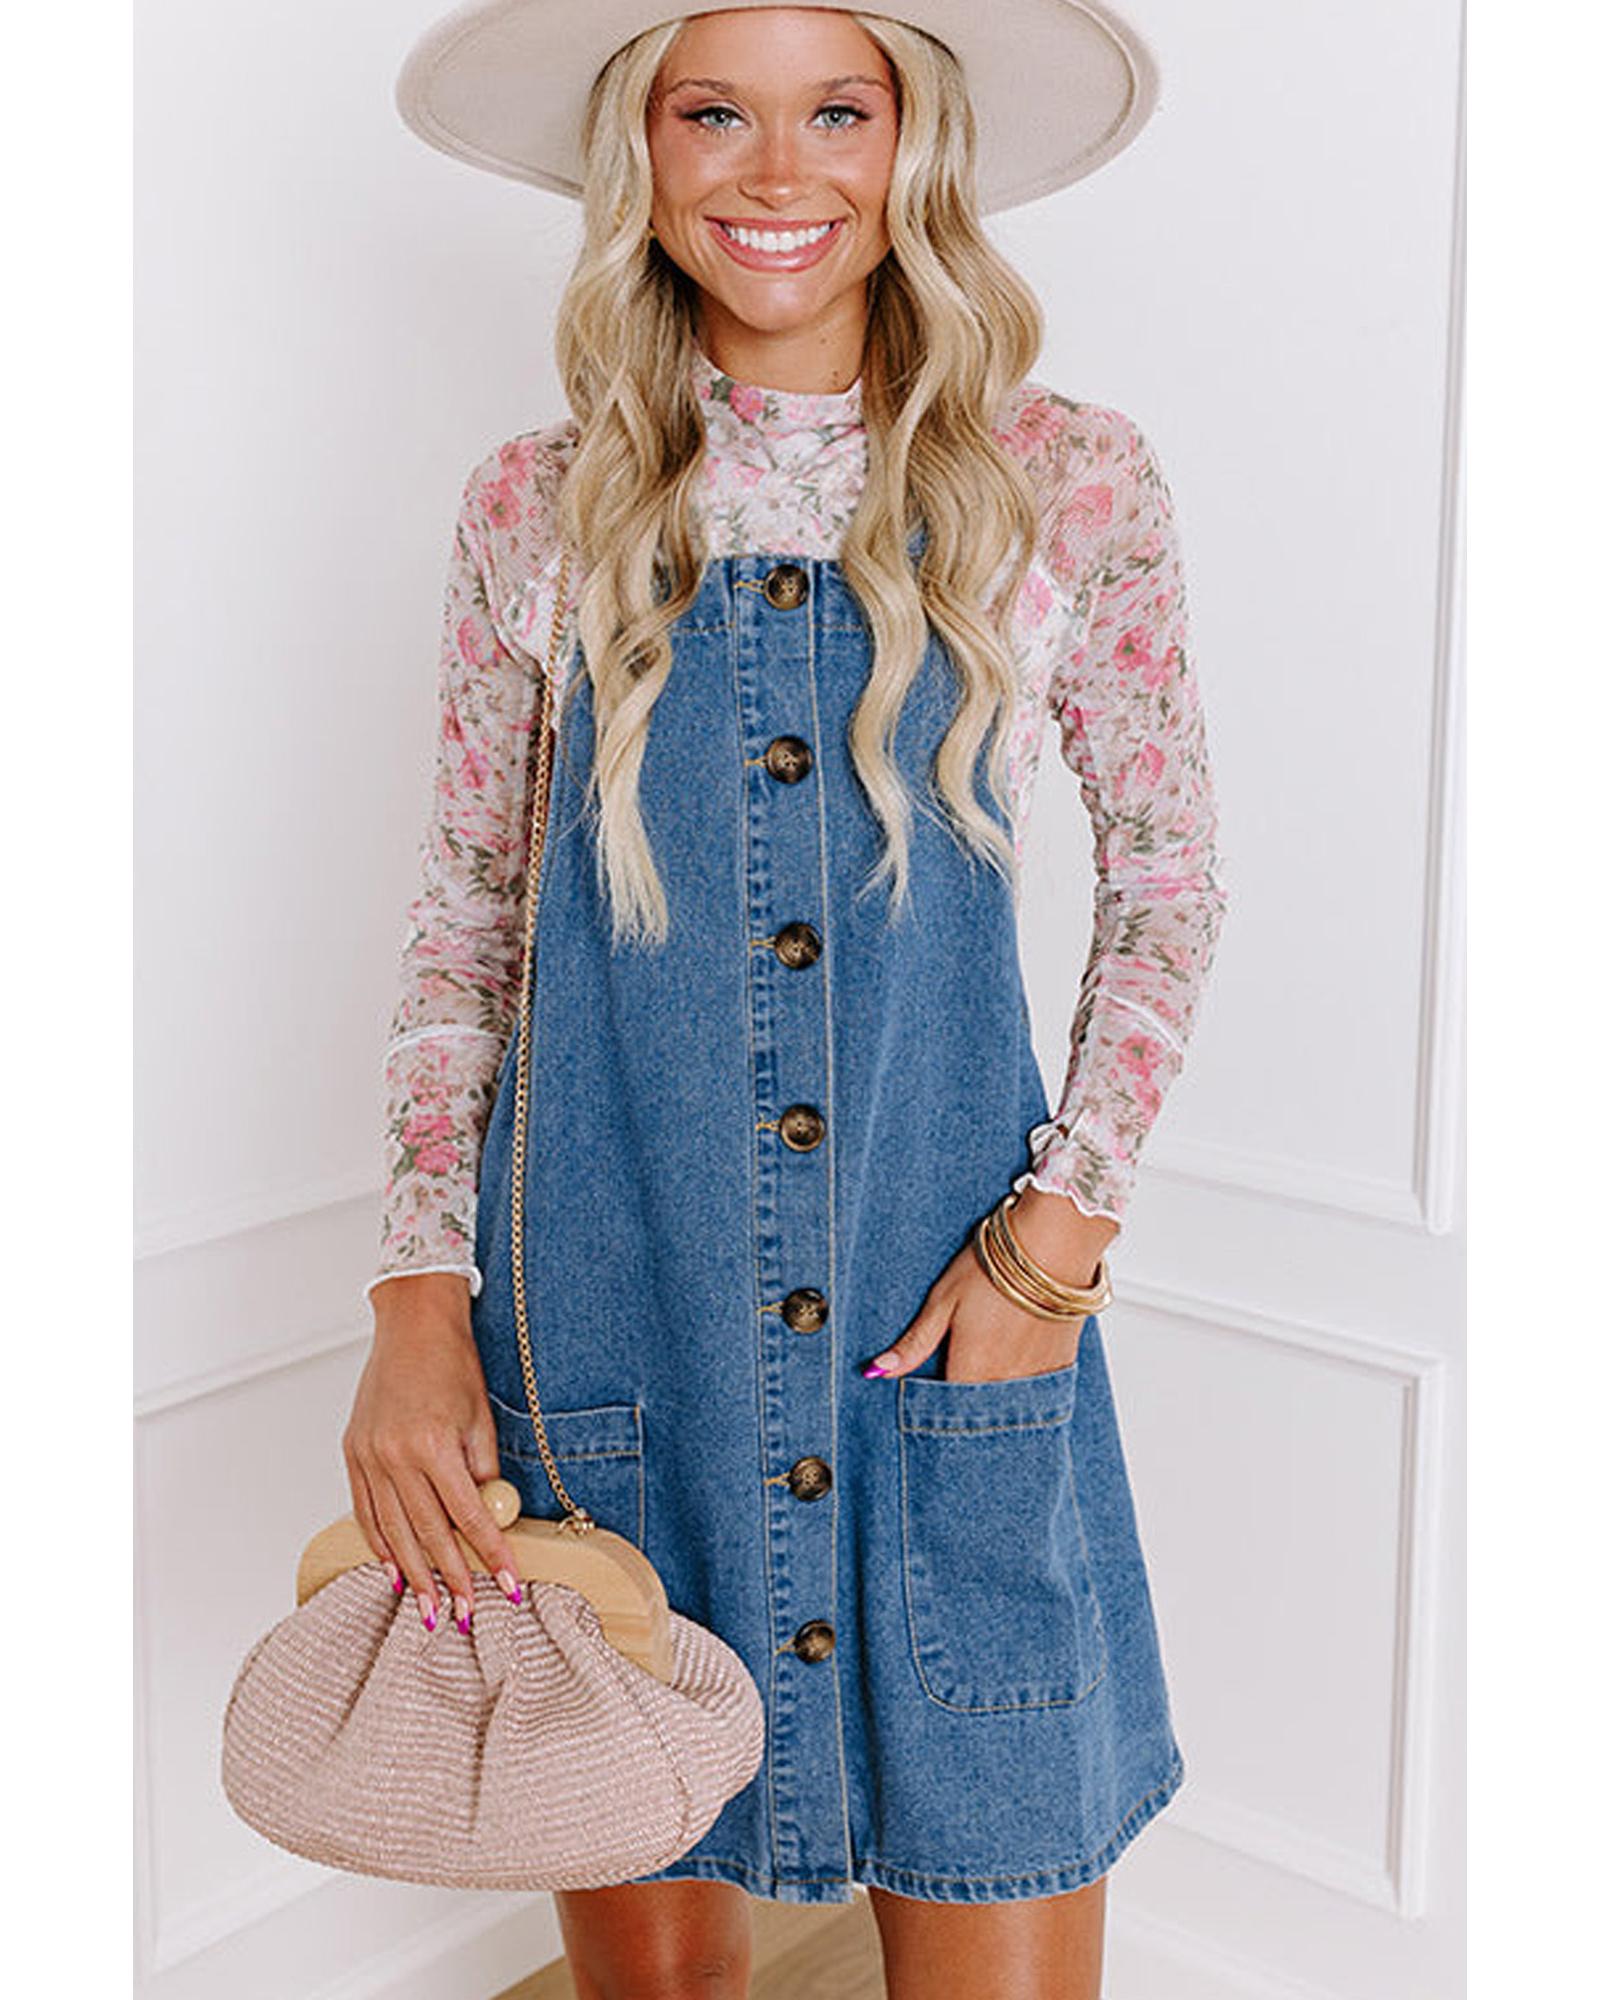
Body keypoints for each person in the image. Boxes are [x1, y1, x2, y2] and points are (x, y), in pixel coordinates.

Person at [345, 5, 1228, 1994]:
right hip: (606, 1344)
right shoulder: (535, 502)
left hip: (942, 1347)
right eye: (711, 111)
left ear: (914, 143)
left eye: (837, 109)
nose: (774, 170)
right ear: (638, 152)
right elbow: (465, 918)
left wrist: (1055, 1246)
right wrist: (414, 1308)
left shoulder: (1065, 482)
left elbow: (1171, 883)